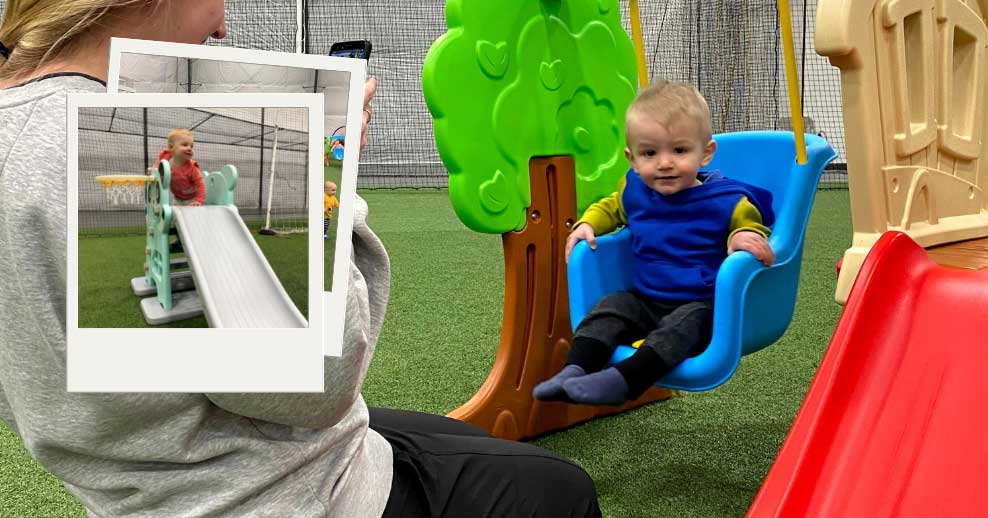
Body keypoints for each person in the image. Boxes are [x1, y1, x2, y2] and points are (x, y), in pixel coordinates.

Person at [0, 1, 602, 517]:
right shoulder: (152, 132)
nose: (225, 22)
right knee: (563, 490)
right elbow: (319, 386)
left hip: (125, 492)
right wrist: (333, 179)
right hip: (278, 494)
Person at [534, 81, 776, 407]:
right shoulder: (634, 190)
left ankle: (626, 381)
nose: (664, 163)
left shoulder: (726, 199)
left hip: (702, 303)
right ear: (632, 159)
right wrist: (588, 223)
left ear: (705, 153)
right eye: (650, 153)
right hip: (646, 298)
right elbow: (611, 207)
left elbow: (748, 223)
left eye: (679, 150)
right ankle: (574, 369)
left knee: (681, 327)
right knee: (610, 308)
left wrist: (741, 236)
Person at [156, 128, 205, 206]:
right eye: (185, 145)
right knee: (177, 216)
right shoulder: (165, 157)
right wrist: (153, 171)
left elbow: (200, 184)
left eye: (191, 146)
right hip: (177, 198)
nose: (189, 148)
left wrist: (199, 200)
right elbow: (157, 167)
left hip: (192, 199)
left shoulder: (192, 167)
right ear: (171, 147)